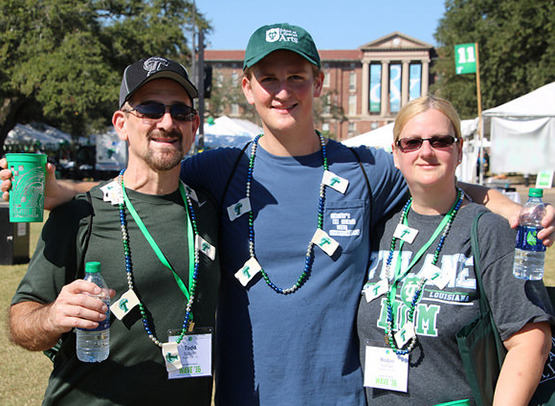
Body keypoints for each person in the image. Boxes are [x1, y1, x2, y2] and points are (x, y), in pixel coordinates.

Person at [2, 24, 555, 406]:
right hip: (245, 396)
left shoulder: (367, 170)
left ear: (318, 84)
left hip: (344, 396)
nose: (283, 90)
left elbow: (438, 178)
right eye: (269, 78)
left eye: (297, 77)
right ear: (246, 88)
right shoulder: (219, 170)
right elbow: (143, 180)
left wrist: (518, 207)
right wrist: (59, 191)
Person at [6, 56, 220, 406]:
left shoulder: (210, 212)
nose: (167, 122)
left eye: (180, 112)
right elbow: (21, 322)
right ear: (121, 124)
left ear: (194, 126)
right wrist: (53, 316)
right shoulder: (80, 214)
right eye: (150, 109)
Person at [357, 95, 554, 405]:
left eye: (440, 141)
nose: (425, 151)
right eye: (411, 143)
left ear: (459, 150)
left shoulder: (489, 231)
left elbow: (530, 339)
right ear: (395, 154)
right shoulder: (378, 227)